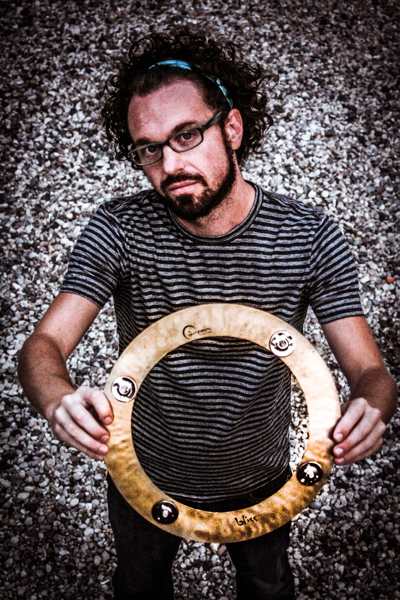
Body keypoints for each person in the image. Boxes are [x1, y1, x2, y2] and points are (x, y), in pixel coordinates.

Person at [18, 27, 397, 600]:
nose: (170, 164)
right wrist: (57, 399)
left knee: (268, 587)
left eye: (187, 135)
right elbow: (42, 346)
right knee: (139, 587)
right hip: (141, 469)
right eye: (149, 148)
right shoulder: (118, 229)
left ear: (233, 128)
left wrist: (372, 406)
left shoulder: (309, 237)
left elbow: (370, 372)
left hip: (262, 476)